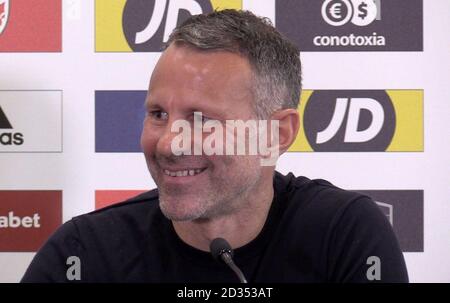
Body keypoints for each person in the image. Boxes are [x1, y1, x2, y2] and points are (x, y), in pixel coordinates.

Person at [21, 9, 408, 283]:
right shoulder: (84, 253)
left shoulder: (345, 234)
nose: (169, 143)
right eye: (157, 113)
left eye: (202, 120)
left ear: (276, 134)